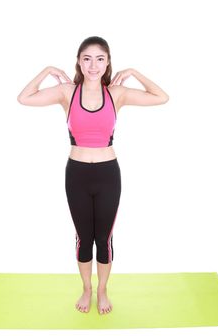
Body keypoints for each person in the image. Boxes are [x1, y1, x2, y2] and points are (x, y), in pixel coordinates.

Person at [17, 36, 169, 315]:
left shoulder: (116, 93)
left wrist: (134, 72)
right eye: (87, 58)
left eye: (100, 58)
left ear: (108, 62)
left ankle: (102, 290)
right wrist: (47, 70)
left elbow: (162, 97)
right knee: (83, 238)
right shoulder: (66, 92)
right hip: (76, 175)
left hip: (108, 174)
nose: (93, 65)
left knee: (105, 239)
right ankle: (87, 288)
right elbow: (24, 98)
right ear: (79, 61)